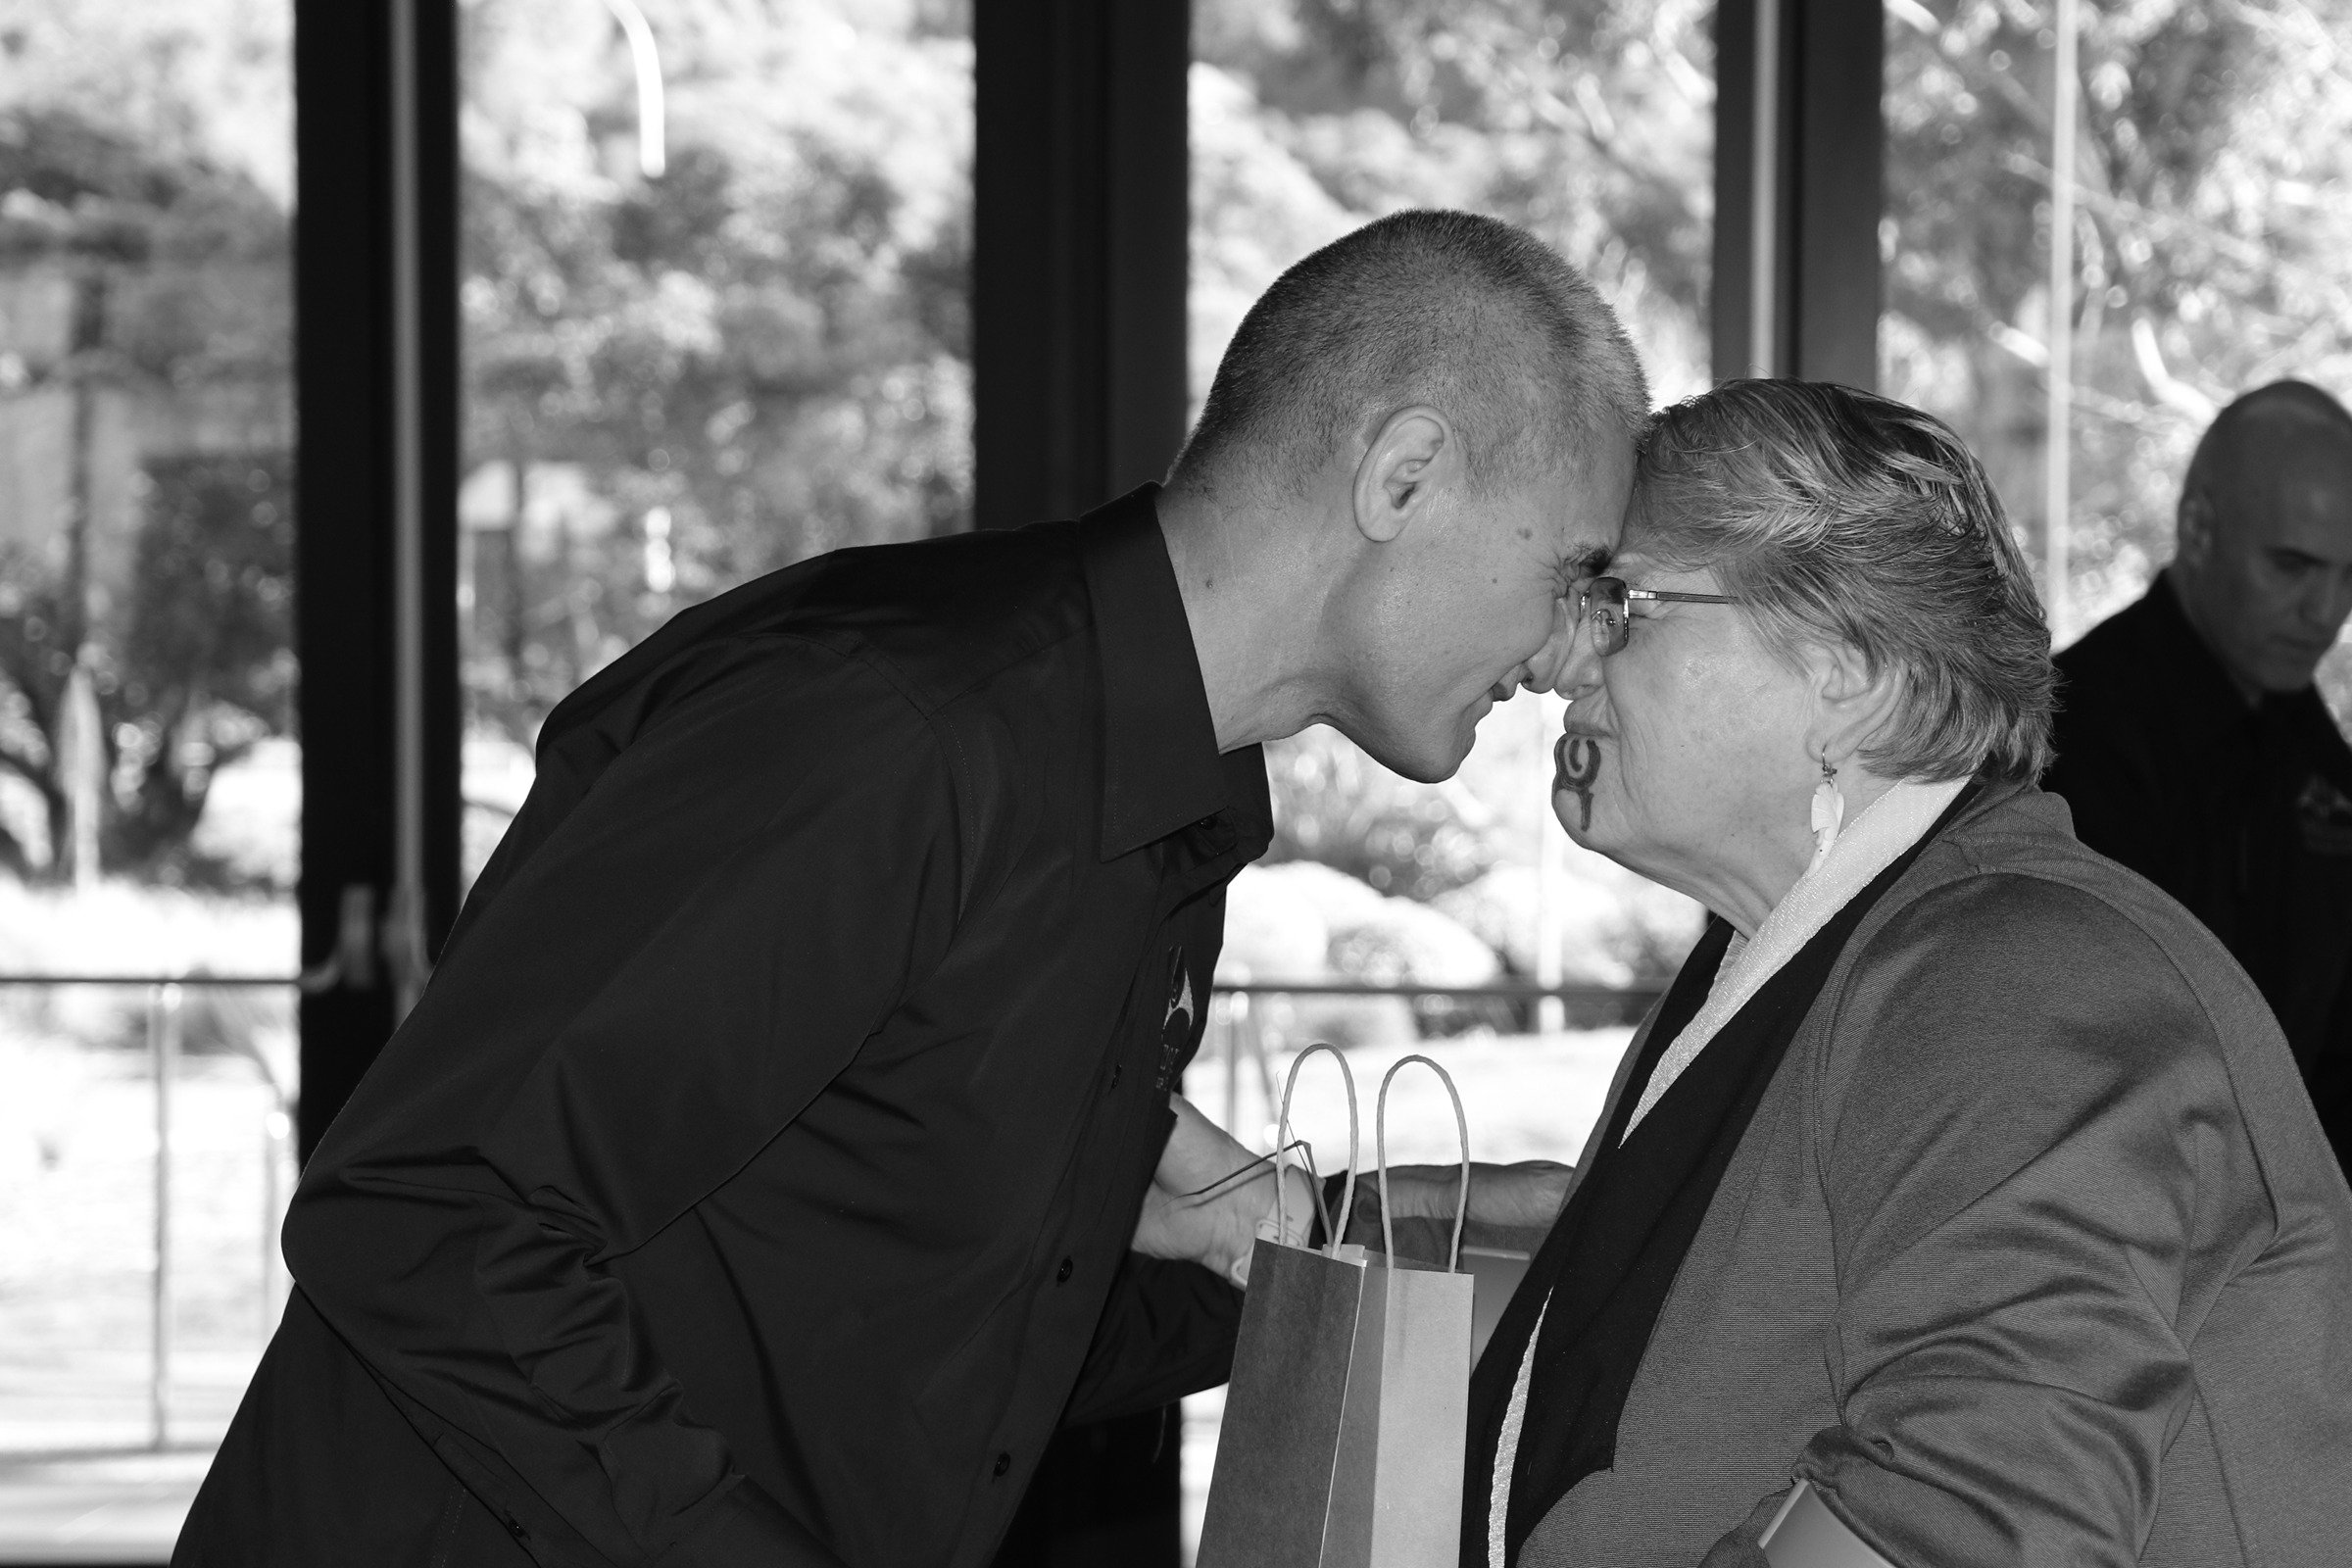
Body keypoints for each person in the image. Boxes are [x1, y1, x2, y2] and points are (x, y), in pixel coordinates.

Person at [173, 211, 1634, 1567]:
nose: (1577, 651)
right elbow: (430, 1218)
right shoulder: (888, 729)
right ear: (1403, 476)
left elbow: (954, 1322)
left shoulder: (1166, 810)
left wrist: (1359, 1241)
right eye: (1577, 571)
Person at [1469, 379, 2352, 1568]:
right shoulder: (1824, 942)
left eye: (1621, 604)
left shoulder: (2024, 971)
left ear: (1850, 670)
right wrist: (1292, 1217)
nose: (1557, 660)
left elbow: (1966, 1518)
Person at [2044, 381, 2352, 1172]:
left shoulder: (2316, 756)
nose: (2325, 611)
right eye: (2293, 566)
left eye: (2350, 578)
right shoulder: (2068, 742)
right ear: (2199, 528)